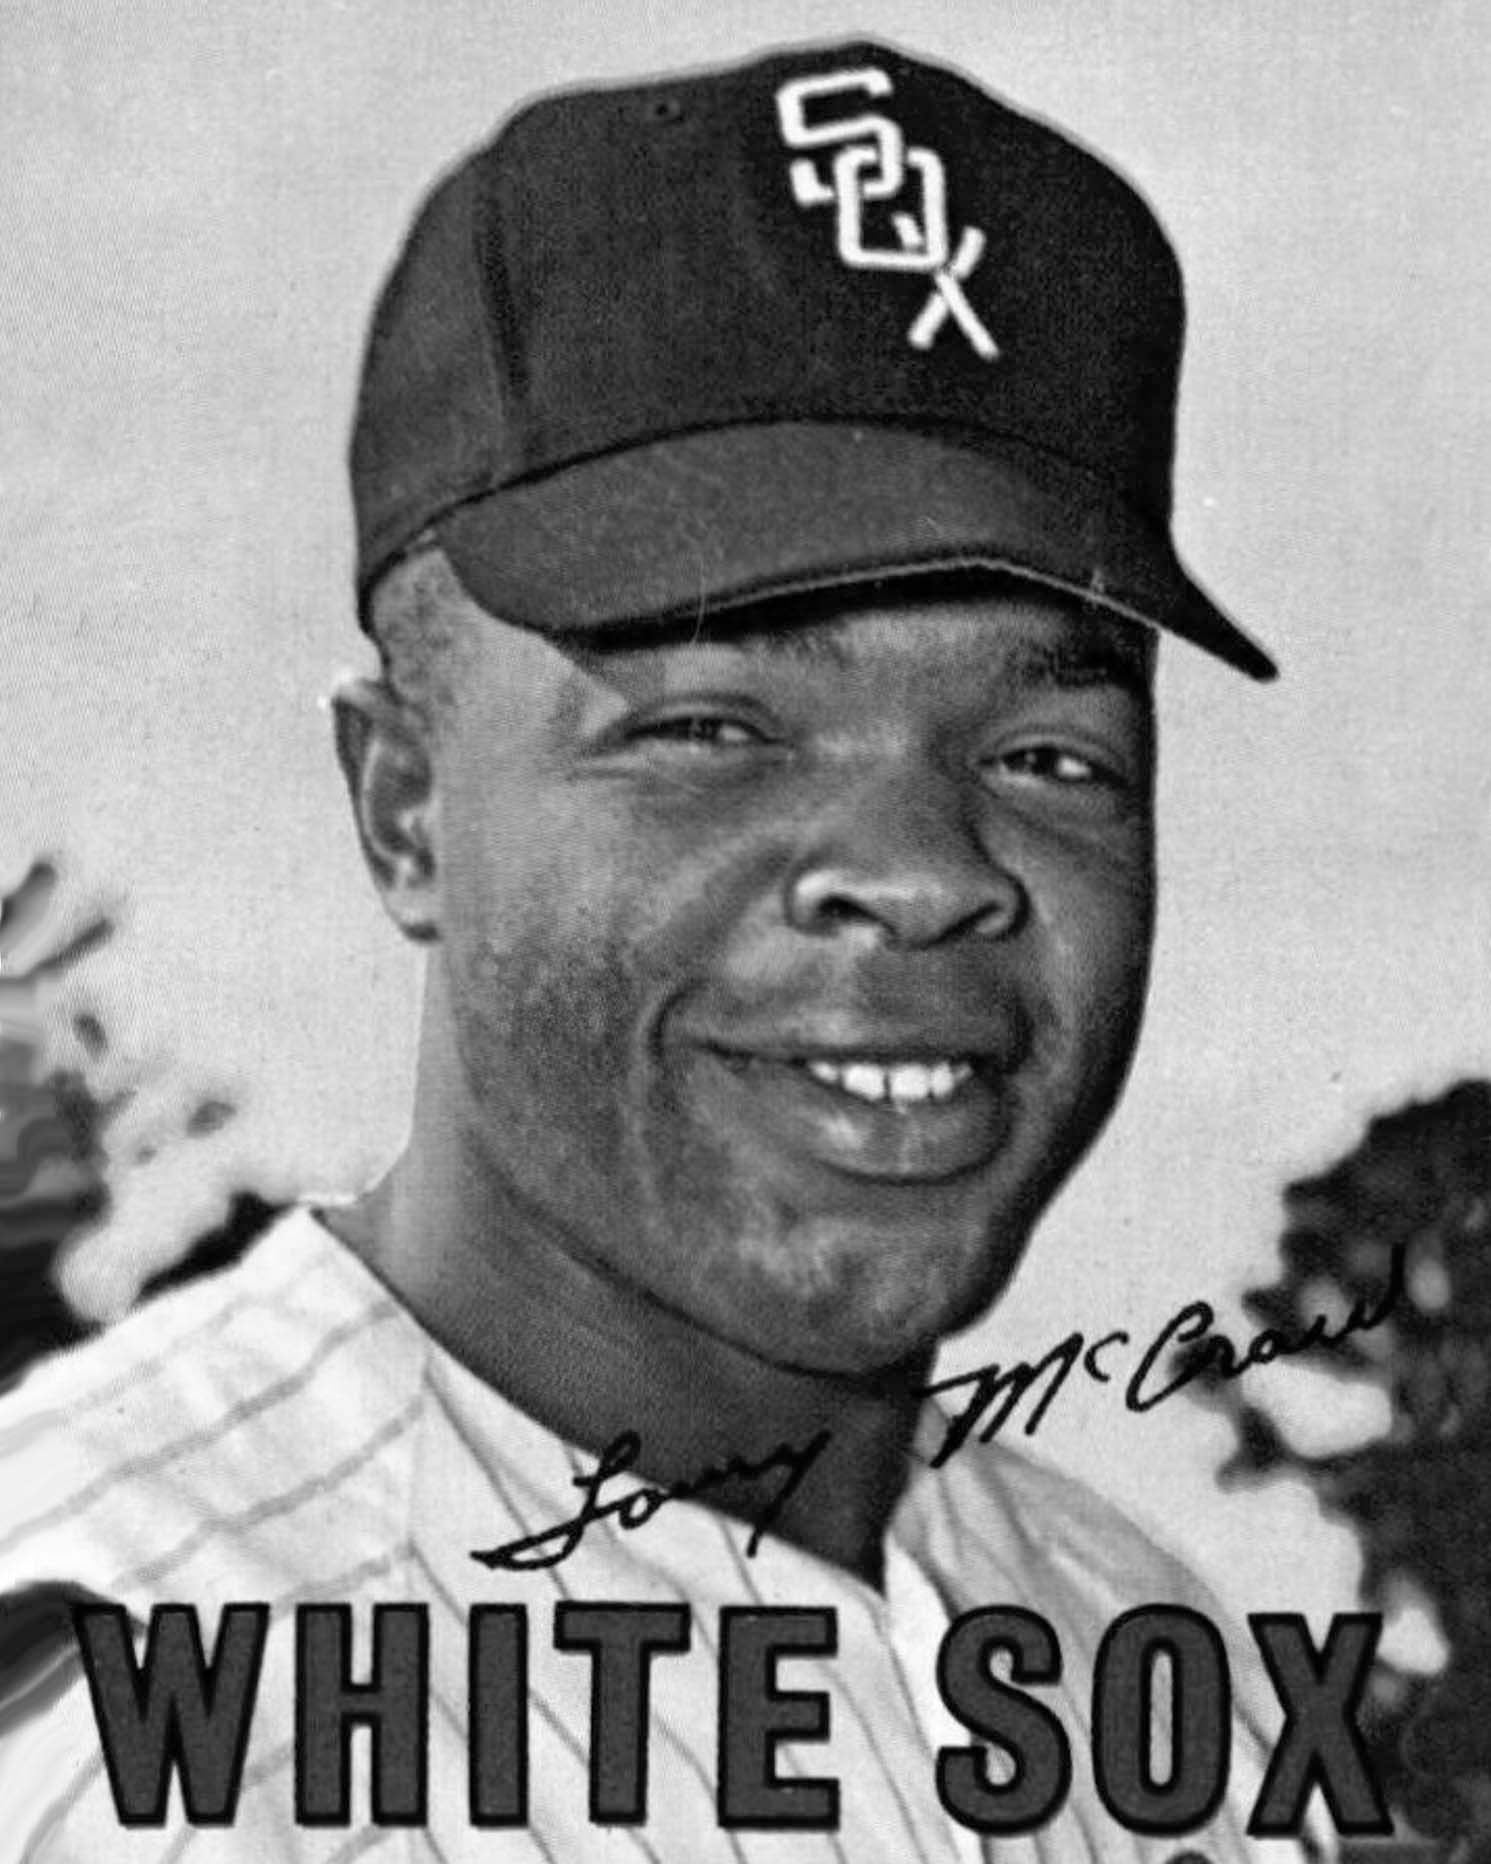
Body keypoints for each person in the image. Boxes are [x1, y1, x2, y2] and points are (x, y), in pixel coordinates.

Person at [0, 37, 1328, 1861]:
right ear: (403, 807)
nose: (920, 872)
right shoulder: (138, 1707)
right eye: (711, 728)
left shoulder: (1141, 1652)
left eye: (1049, 758)